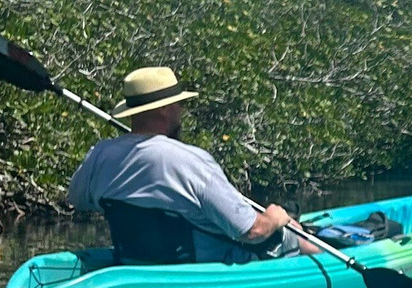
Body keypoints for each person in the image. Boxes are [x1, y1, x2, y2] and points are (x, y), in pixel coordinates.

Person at [67, 66, 318, 264]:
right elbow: (252, 231)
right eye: (180, 104)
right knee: (294, 234)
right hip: (201, 267)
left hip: (135, 259)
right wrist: (276, 217)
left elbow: (77, 200)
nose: (182, 111)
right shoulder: (191, 161)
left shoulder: (100, 154)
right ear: (166, 109)